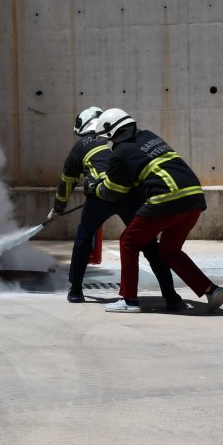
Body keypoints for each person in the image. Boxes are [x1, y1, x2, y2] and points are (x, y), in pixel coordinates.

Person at [92, 108, 223, 313]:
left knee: (128, 241)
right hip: (194, 198)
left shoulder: (121, 152)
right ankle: (211, 290)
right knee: (169, 251)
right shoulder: (150, 137)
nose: (108, 143)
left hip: (167, 197)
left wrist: (94, 187)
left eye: (107, 138)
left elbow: (113, 191)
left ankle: (129, 300)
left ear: (112, 133)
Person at [51, 107, 182, 309]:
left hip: (99, 198)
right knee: (148, 244)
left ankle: (76, 290)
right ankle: (171, 297)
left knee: (84, 237)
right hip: (128, 193)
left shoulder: (79, 147)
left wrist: (58, 207)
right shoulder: (118, 138)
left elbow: (66, 182)